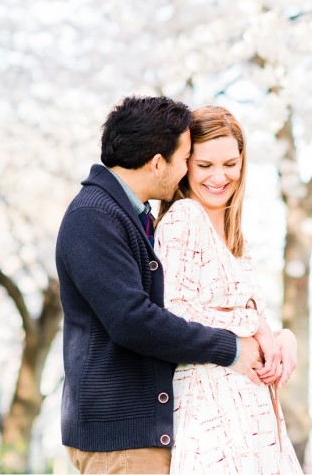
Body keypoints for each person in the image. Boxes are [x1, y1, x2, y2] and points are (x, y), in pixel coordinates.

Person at [56, 95, 264, 475]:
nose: (188, 170)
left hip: (140, 435)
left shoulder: (129, 216)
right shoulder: (94, 217)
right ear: (157, 163)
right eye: (187, 159)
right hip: (120, 438)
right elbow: (132, 320)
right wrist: (232, 348)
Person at [155, 105, 303, 473]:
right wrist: (256, 325)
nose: (219, 177)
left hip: (255, 418)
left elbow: (243, 318)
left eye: (230, 164)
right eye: (204, 165)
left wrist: (283, 338)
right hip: (211, 417)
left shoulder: (237, 239)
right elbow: (173, 310)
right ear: (185, 165)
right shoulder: (184, 218)